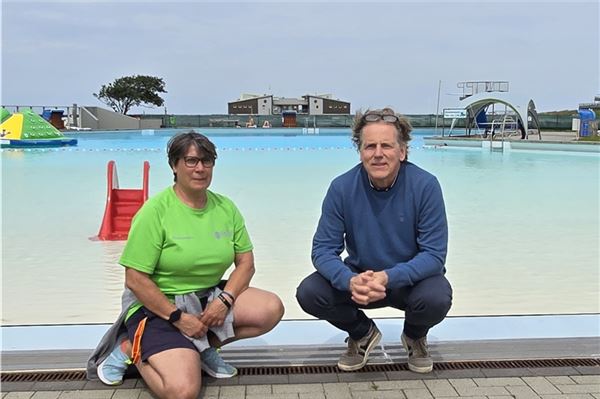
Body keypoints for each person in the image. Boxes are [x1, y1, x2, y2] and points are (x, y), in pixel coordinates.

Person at [87, 131, 284, 399]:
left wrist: (224, 300)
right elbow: (135, 279)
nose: (200, 168)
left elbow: (246, 263)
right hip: (157, 307)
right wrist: (178, 318)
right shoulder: (155, 212)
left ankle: (200, 350)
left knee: (270, 309)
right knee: (183, 391)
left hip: (207, 297)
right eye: (191, 161)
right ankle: (130, 348)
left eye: (207, 161)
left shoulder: (226, 208)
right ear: (174, 165)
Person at [296, 108, 452, 374]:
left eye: (386, 146)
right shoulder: (342, 188)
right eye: (370, 146)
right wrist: (349, 280)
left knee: (437, 296)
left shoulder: (425, 186)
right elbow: (322, 250)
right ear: (360, 152)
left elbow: (434, 255)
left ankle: (414, 335)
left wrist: (389, 277)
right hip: (360, 281)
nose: (378, 153)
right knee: (310, 293)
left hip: (409, 283)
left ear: (402, 152)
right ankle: (362, 333)